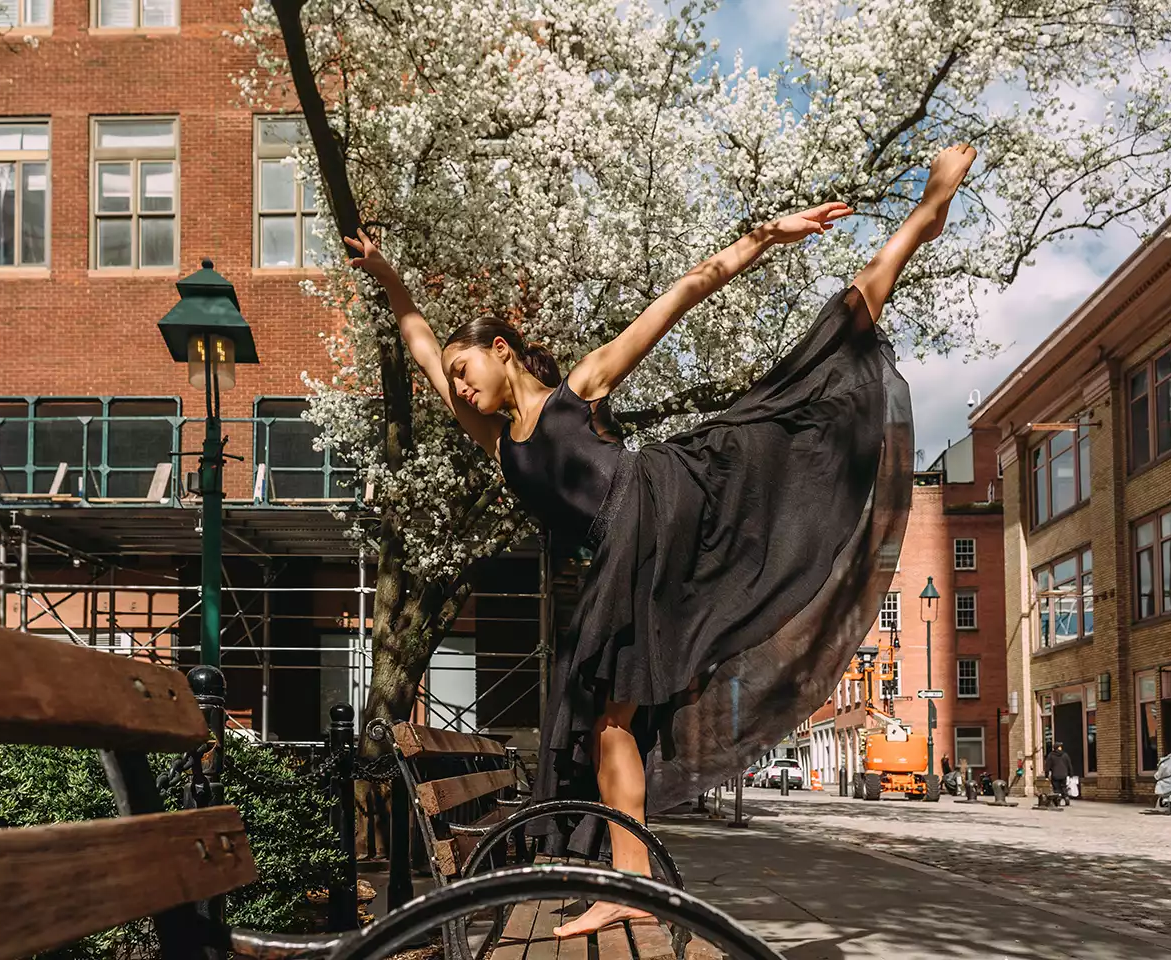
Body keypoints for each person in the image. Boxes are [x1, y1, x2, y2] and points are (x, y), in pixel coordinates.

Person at [346, 144, 977, 937]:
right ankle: (627, 878)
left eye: (472, 367)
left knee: (800, 386)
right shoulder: (489, 434)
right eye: (460, 376)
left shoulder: (581, 387)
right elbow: (420, 345)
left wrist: (767, 237)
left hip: (664, 498)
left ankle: (927, 211)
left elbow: (683, 293)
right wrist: (389, 276)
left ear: (503, 350)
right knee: (609, 716)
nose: (462, 385)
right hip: (632, 552)